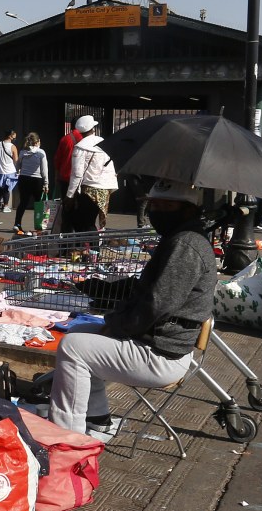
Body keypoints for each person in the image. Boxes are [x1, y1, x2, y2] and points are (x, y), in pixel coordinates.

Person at [50, 178, 217, 435]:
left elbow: (156, 303)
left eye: (166, 206)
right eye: (154, 204)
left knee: (73, 349)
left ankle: (65, 436)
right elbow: (148, 292)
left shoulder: (185, 245)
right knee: (78, 332)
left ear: (187, 209)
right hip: (157, 340)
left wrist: (116, 326)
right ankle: (98, 418)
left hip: (162, 353)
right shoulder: (179, 238)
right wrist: (108, 302)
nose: (157, 211)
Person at [65, 115, 118, 232]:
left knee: (82, 222)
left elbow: (77, 174)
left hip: (90, 189)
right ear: (93, 128)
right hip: (105, 188)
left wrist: (69, 195)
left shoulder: (80, 147)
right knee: (89, 221)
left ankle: (89, 249)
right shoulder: (104, 143)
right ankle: (91, 249)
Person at [13, 132, 48, 231]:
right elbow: (44, 170)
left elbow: (17, 165)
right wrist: (46, 183)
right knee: (38, 204)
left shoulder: (23, 152)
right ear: (37, 142)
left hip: (24, 179)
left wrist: (19, 171)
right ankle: (38, 225)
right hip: (37, 180)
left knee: (23, 202)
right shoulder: (41, 153)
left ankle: (17, 224)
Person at [54, 119, 85, 198]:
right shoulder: (85, 139)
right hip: (82, 177)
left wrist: (57, 174)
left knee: (66, 203)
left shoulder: (65, 139)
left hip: (66, 176)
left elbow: (58, 159)